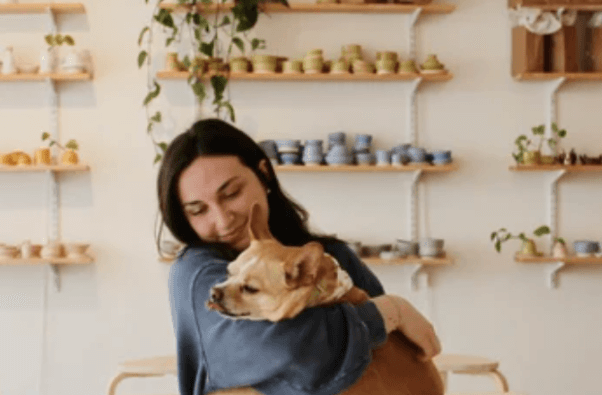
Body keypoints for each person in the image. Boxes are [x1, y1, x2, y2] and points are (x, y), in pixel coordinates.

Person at [157, 118, 441, 395]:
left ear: (264, 173)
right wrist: (390, 312)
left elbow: (392, 358)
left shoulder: (334, 256)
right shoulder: (196, 272)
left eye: (231, 193)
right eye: (198, 210)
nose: (222, 220)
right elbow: (279, 347)